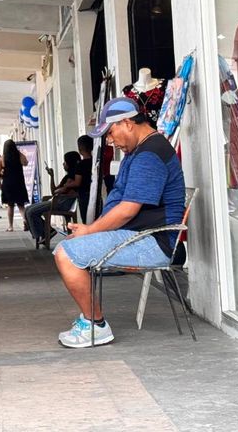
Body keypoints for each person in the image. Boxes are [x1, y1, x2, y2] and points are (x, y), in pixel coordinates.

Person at [53, 97, 185, 348]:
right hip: (140, 235)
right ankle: (92, 321)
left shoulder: (150, 155)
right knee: (69, 247)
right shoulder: (140, 151)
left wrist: (91, 230)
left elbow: (127, 210)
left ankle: (96, 325)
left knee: (66, 254)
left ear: (127, 123)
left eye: (111, 133)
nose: (110, 141)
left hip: (153, 241)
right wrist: (89, 233)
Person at [24, 151, 82, 246]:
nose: (63, 164)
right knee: (27, 209)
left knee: (31, 212)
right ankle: (48, 231)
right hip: (56, 201)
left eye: (65, 162)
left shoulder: (72, 178)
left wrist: (61, 190)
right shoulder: (67, 177)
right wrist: (52, 176)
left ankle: (44, 234)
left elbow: (63, 191)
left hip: (61, 203)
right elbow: (54, 190)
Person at [0, 139, 29, 232]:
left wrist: (3, 175)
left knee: (10, 205)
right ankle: (25, 220)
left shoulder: (2, 158)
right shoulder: (19, 155)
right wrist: (18, 152)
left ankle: (10, 226)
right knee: (21, 204)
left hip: (8, 183)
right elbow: (26, 163)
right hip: (19, 182)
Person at [76, 135, 94, 222]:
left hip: (84, 195)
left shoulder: (80, 165)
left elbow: (77, 182)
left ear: (80, 148)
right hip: (95, 193)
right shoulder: (95, 162)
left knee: (86, 219)